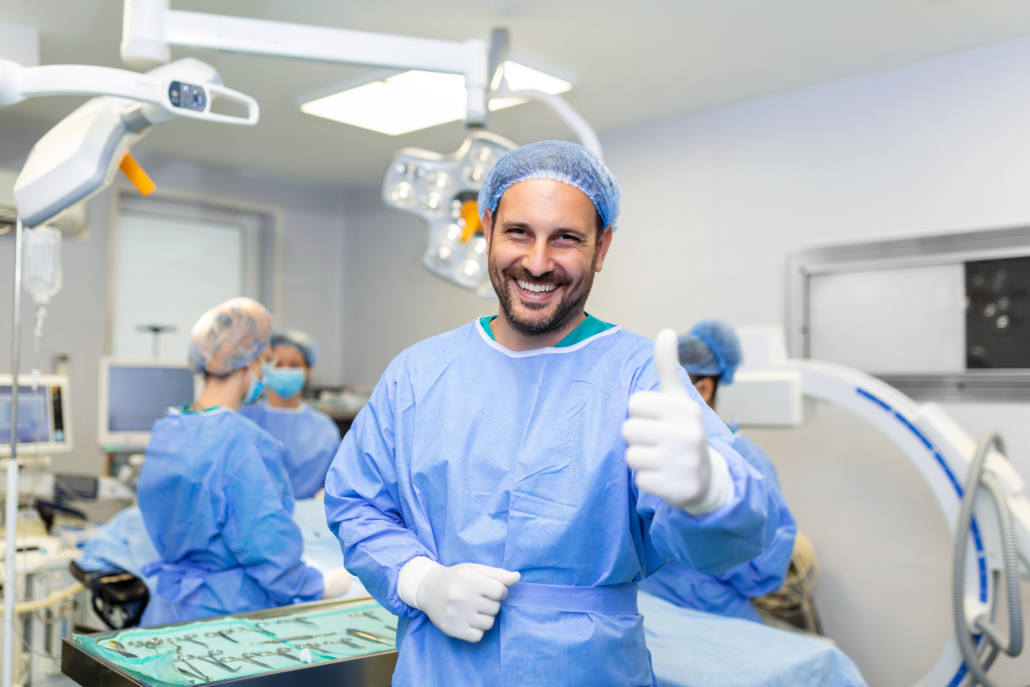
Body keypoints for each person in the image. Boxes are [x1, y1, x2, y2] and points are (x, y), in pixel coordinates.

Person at [324, 142, 786, 686]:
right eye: (519, 232)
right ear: (488, 226)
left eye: (565, 238)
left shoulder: (639, 374)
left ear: (602, 246)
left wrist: (713, 495)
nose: (538, 262)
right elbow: (356, 502)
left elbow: (732, 543)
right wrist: (419, 580)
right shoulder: (419, 373)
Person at [137, 297, 350, 626]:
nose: (267, 370)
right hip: (227, 614)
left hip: (170, 608)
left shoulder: (170, 428)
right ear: (248, 361)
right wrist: (315, 585)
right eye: (267, 359)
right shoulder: (238, 440)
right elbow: (265, 541)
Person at [640, 319, 798, 623]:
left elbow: (762, 568)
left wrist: (707, 544)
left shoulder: (746, 460)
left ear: (704, 388)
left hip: (714, 615)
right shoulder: (653, 449)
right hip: (651, 608)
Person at [240, 330, 341, 499]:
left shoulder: (324, 428)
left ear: (308, 371)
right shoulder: (244, 419)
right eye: (277, 364)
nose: (285, 370)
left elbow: (337, 482)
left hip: (309, 519)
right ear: (266, 368)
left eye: (294, 365)